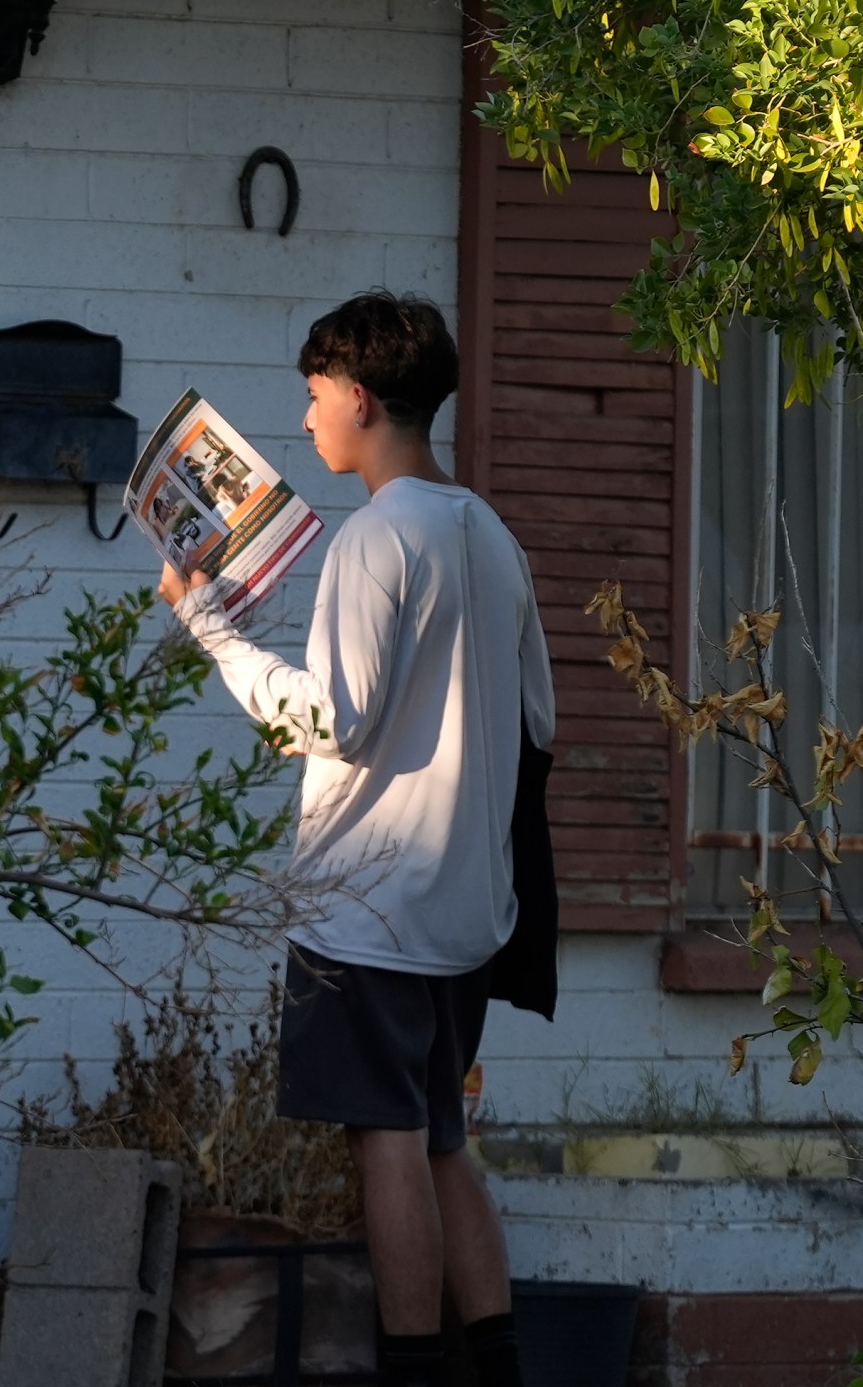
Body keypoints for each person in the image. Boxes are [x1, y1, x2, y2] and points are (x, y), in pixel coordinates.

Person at [157, 291, 555, 1387]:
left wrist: (209, 627)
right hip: (468, 905)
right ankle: (497, 1365)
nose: (304, 419)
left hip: (368, 905)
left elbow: (329, 719)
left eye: (315, 393)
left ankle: (415, 1369)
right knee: (440, 1140)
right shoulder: (491, 534)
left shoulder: (374, 539)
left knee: (385, 1138)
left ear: (363, 396)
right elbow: (537, 724)